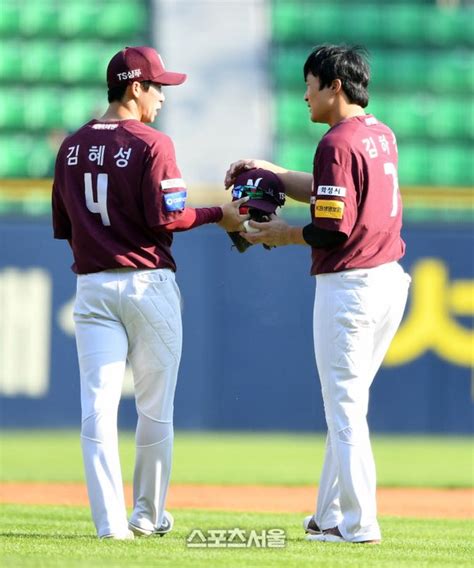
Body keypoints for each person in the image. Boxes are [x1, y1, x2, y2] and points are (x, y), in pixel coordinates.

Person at [52, 46, 248, 540]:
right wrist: (218, 214)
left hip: (93, 287)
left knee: (96, 409)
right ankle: (147, 514)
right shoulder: (152, 143)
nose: (162, 97)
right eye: (158, 86)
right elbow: (171, 217)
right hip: (147, 284)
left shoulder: (70, 146)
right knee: (154, 409)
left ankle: (109, 526)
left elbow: (64, 226)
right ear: (134, 87)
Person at [225, 45, 411, 544]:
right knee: (345, 405)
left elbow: (331, 228)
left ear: (334, 86)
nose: (304, 93)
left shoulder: (335, 143)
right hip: (389, 279)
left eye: (310, 82)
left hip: (351, 285)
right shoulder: (378, 132)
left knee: (344, 408)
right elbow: (336, 188)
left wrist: (280, 234)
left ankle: (359, 525)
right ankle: (329, 517)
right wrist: (276, 173)